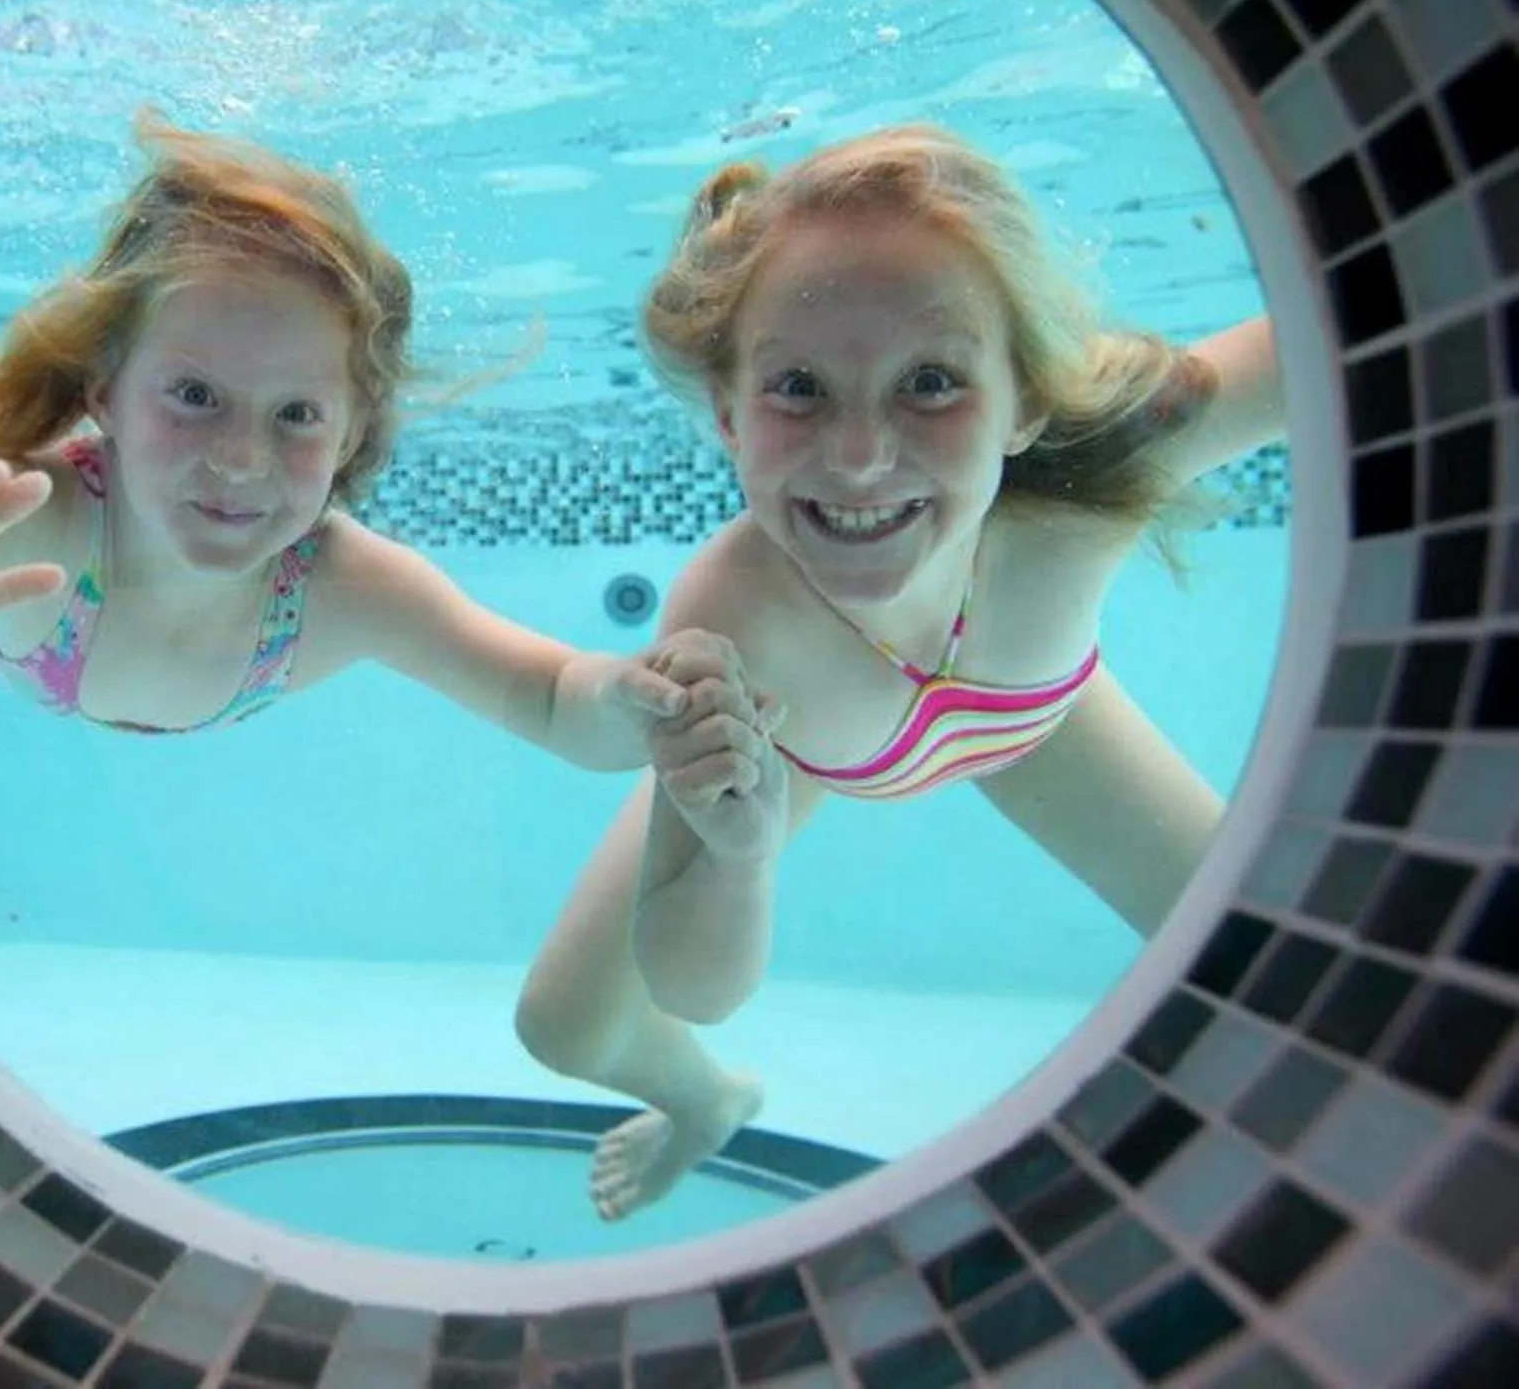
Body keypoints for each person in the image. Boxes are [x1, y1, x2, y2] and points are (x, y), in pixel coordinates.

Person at [512, 124, 1284, 1221]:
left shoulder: (1103, 461)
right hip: (800, 748)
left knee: (1270, 962)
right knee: (565, 1025)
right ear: (729, 417)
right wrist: (737, 855)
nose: (861, 456)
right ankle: (705, 1106)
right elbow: (697, 985)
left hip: (1044, 730)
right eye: (797, 389)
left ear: (1026, 399)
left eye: (930, 382)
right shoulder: (732, 619)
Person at [0, 113, 712, 766]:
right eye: (193, 394)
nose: (239, 459)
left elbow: (549, 698)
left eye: (296, 414)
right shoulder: (23, 515)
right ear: (102, 390)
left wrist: (638, 707)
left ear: (352, 432)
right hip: (39, 470)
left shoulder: (350, 587)